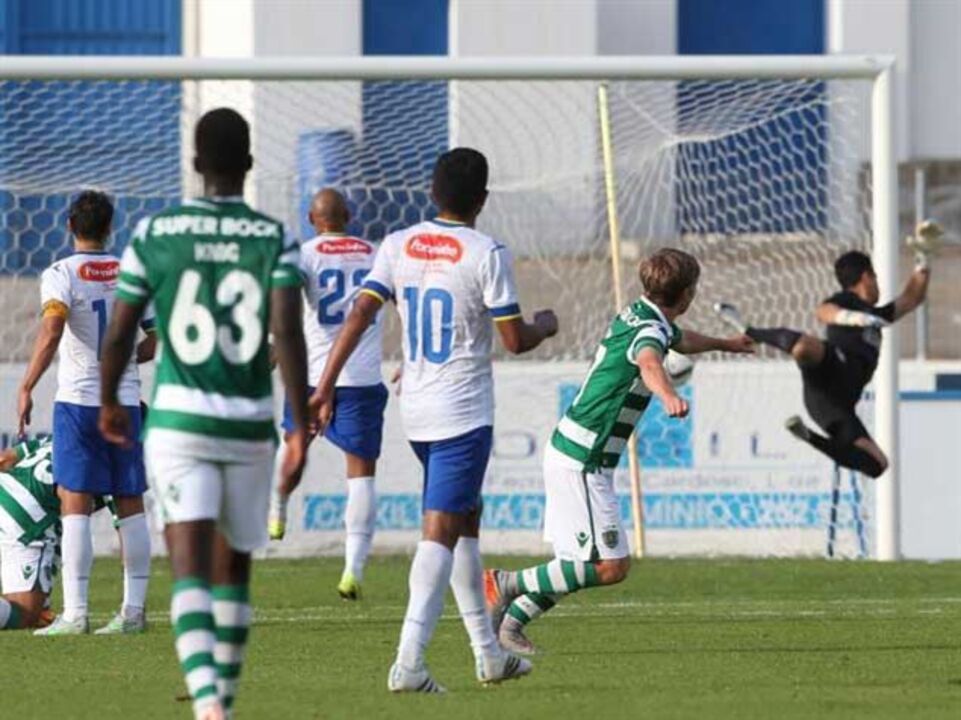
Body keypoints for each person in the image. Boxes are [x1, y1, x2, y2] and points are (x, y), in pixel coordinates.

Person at [314, 148, 558, 693]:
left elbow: (360, 312)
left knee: (466, 523)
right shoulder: (486, 251)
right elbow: (514, 340)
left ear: (431, 191)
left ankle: (488, 654)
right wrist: (545, 323)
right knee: (440, 534)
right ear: (484, 200)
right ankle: (409, 664)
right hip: (462, 414)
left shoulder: (397, 243)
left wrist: (324, 383)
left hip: (418, 410)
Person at [98, 107, 310, 720]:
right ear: (248, 164)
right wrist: (297, 425)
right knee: (233, 572)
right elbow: (287, 332)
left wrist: (111, 400)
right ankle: (223, 703)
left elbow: (119, 333)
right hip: (246, 423)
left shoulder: (156, 234)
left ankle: (209, 709)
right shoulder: (274, 236)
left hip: (178, 423)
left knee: (189, 568)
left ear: (195, 165)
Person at [485, 248, 754, 655]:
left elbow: (676, 339)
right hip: (583, 459)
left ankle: (510, 628)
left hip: (576, 451)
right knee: (610, 566)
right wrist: (667, 395)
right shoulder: (649, 332)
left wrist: (726, 344)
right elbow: (649, 360)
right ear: (688, 294)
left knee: (574, 563)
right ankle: (504, 584)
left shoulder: (642, 315)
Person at [19, 190, 155, 636]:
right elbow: (157, 337)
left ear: (69, 226)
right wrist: (125, 361)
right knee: (130, 501)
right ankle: (133, 613)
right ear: (110, 228)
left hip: (78, 401)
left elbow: (53, 328)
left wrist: (28, 383)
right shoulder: (134, 273)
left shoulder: (60, 273)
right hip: (125, 400)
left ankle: (76, 614)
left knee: (73, 501)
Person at [714, 222, 940, 478]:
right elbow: (823, 312)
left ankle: (808, 437)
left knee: (877, 464)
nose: (877, 284)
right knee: (805, 347)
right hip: (830, 371)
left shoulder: (878, 315)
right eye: (875, 277)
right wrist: (856, 319)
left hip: (839, 405)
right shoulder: (847, 301)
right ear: (867, 277)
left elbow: (912, 298)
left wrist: (924, 257)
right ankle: (752, 332)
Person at [269, 188, 386, 601]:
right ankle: (352, 570)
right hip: (360, 376)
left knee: (293, 442)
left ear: (311, 218)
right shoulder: (376, 253)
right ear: (348, 215)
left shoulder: (304, 254)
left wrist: (271, 347)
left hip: (311, 372)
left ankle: (278, 511)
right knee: (361, 472)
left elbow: (281, 304)